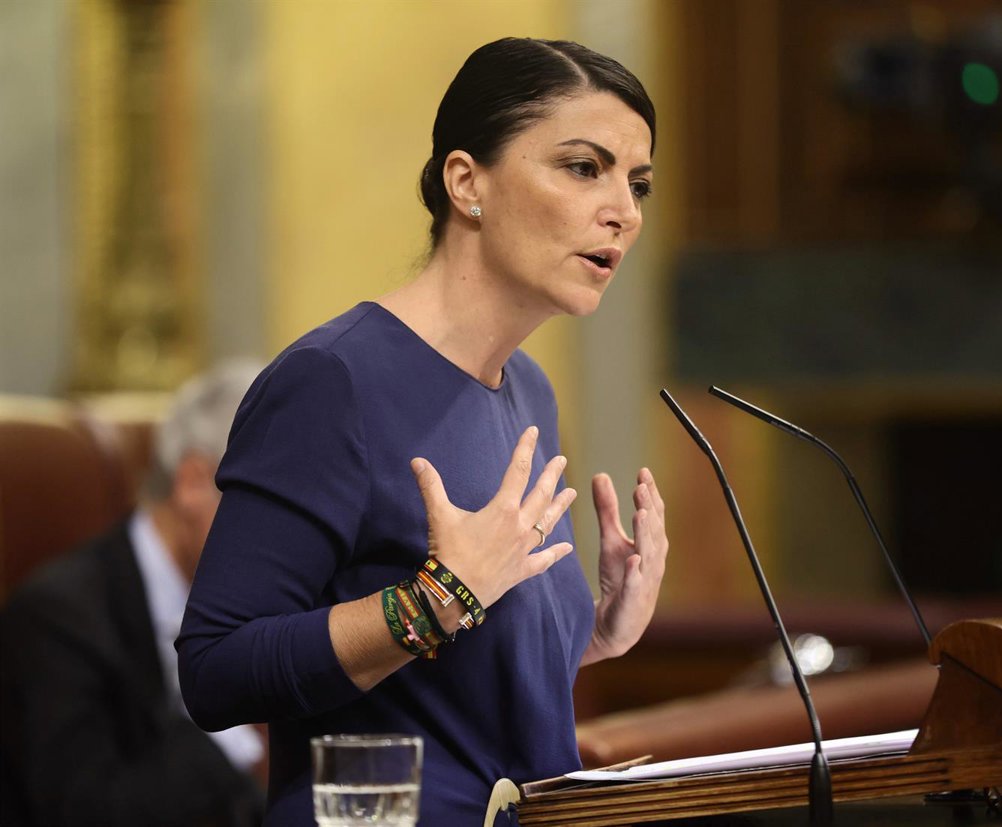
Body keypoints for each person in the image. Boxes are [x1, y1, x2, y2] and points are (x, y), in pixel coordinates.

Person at [176, 36, 668, 826]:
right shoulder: (333, 382)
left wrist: (589, 634)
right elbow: (215, 670)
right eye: (585, 168)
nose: (626, 211)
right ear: (467, 182)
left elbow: (448, 689)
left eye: (637, 183)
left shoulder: (529, 390)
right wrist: (431, 600)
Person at [0, 363, 266, 827]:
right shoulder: (55, 617)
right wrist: (239, 728)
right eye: (271, 503)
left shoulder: (260, 603)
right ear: (193, 483)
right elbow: (83, 812)